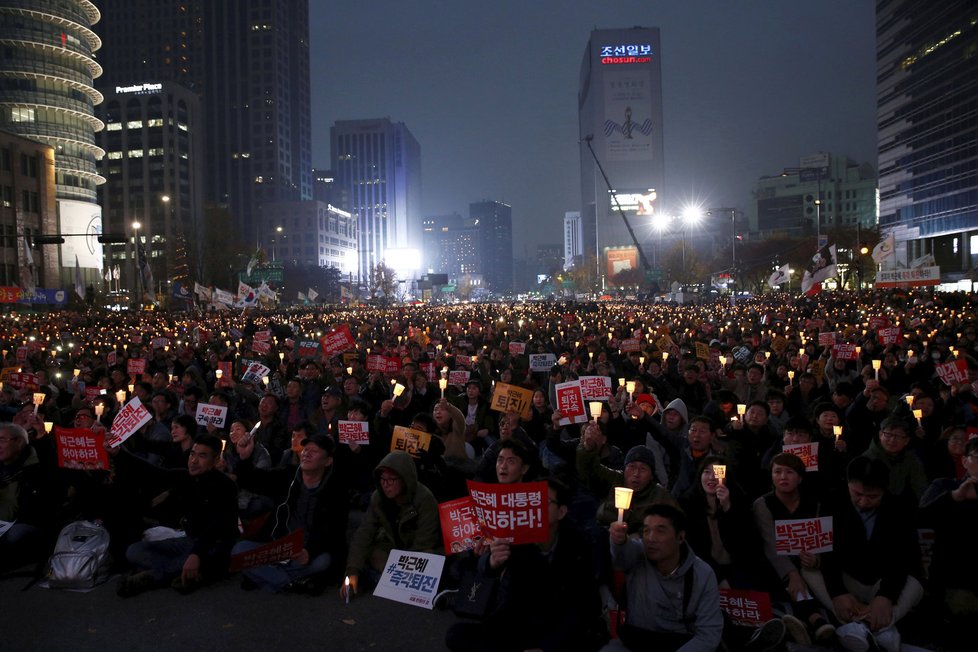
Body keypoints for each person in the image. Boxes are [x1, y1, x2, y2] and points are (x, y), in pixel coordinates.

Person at [445, 477, 605, 652]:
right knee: (456, 635)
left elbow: (581, 608)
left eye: (543, 502)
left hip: (557, 626)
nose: (535, 508)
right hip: (517, 623)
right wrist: (492, 562)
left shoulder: (578, 545)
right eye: (532, 502)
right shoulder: (515, 533)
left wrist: (546, 648)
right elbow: (481, 571)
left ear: (561, 512)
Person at [116, 434, 239, 596]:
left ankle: (152, 577)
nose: (194, 461)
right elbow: (153, 473)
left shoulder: (225, 486)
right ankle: (188, 574)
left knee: (208, 558)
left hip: (215, 545)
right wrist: (118, 453)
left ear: (216, 460)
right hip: (188, 541)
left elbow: (216, 527)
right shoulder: (186, 477)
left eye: (202, 456)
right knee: (134, 551)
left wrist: (196, 554)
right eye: (192, 454)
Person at [822, 457, 923, 652]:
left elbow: (903, 559)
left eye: (872, 496)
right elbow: (827, 555)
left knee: (915, 583)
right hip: (849, 579)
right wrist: (838, 593)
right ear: (848, 484)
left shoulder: (900, 507)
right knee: (811, 570)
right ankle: (880, 628)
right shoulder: (831, 502)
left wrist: (885, 596)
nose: (863, 501)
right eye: (857, 494)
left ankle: (863, 627)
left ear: (884, 491)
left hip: (884, 579)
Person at [231, 432, 349, 593]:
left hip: (306, 551)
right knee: (239, 550)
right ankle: (289, 582)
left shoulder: (336, 490)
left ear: (328, 461)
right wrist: (244, 457)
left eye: (313, 451)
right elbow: (254, 481)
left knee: (323, 561)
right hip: (278, 545)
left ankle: (267, 578)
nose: (306, 454)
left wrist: (310, 551)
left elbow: (335, 531)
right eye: (305, 450)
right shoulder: (288, 475)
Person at [603, 503, 723, 651]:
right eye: (646, 531)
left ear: (680, 537)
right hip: (635, 640)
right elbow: (622, 555)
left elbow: (708, 634)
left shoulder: (702, 573)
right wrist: (618, 541)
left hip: (680, 644)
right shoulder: (637, 555)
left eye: (660, 531)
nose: (651, 538)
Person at [752, 453, 835, 644]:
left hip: (808, 562)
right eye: (777, 472)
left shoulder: (815, 502)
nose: (783, 477)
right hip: (778, 564)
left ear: (800, 478)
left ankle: (804, 622)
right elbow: (770, 545)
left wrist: (816, 559)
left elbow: (822, 539)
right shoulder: (763, 504)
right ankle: (815, 620)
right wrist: (792, 573)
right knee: (789, 582)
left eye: (789, 472)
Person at [342, 451, 441, 599]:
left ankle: (385, 578)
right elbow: (364, 533)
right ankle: (383, 577)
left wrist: (404, 565)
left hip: (419, 549)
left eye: (391, 480)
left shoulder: (425, 498)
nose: (385, 485)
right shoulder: (378, 497)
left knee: (430, 559)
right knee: (369, 551)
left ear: (405, 479)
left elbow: (425, 540)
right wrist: (352, 572)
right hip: (393, 546)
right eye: (382, 480)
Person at [919, 437, 978, 645]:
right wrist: (953, 498)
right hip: (952, 579)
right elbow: (920, 519)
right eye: (977, 458)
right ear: (965, 461)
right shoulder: (945, 486)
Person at [0, 422, 63, 571]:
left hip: (27, 522)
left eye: (2, 440)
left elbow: (50, 465)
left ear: (20, 441)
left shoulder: (36, 466)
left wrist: (42, 435)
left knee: (16, 535)